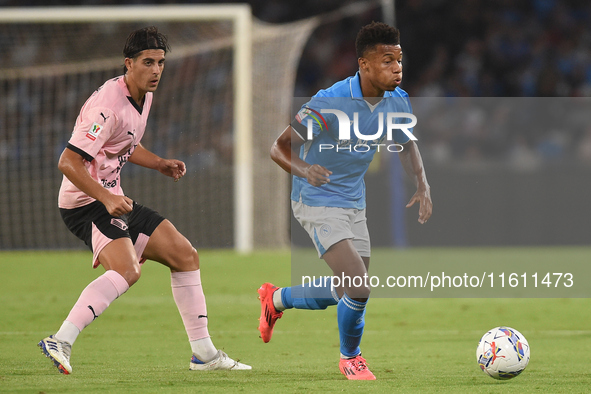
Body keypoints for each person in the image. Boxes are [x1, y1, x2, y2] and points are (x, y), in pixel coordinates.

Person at [38, 26, 250, 374]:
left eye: (161, 63)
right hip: (84, 202)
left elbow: (125, 144)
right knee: (126, 270)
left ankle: (205, 355)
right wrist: (106, 197)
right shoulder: (105, 107)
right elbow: (69, 161)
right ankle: (60, 339)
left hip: (113, 198)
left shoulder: (144, 96)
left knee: (185, 255)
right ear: (128, 63)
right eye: (148, 62)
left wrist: (159, 163)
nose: (156, 70)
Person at [257, 22, 432, 380]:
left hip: (354, 200)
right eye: (387, 61)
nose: (397, 68)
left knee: (345, 290)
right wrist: (306, 170)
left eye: (399, 60)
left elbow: (406, 143)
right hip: (316, 198)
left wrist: (423, 183)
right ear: (363, 65)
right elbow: (279, 147)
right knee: (358, 285)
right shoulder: (331, 101)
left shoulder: (397, 99)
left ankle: (275, 300)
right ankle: (350, 358)